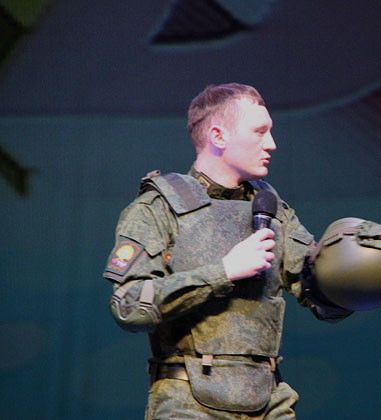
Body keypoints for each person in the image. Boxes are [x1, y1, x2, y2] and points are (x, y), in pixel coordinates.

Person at [103, 82, 355, 419]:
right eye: (259, 131)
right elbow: (129, 305)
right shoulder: (158, 208)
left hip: (269, 402)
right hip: (187, 405)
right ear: (218, 136)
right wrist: (223, 272)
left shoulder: (274, 212)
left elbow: (325, 297)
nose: (272, 144)